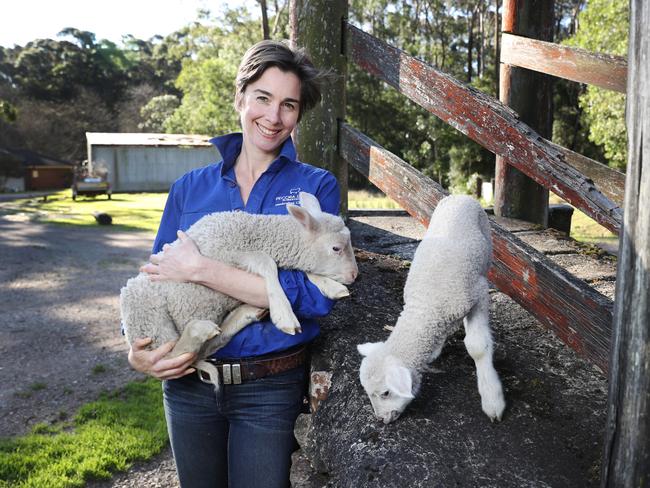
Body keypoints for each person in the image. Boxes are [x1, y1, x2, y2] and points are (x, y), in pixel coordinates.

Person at [127, 40, 350, 488]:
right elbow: (156, 278)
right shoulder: (189, 189)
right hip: (189, 384)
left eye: (289, 105)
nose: (273, 116)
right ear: (240, 98)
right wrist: (138, 353)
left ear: (299, 115)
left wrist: (203, 270)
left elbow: (315, 297)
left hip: (269, 386)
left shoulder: (316, 187)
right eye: (263, 98)